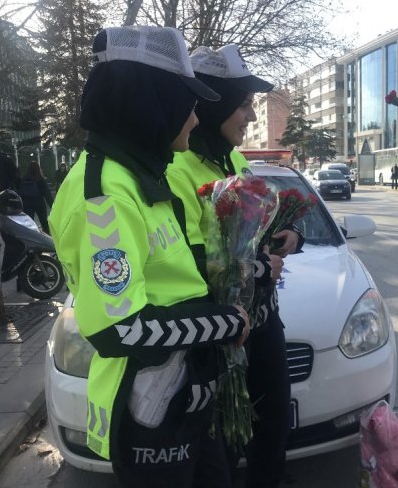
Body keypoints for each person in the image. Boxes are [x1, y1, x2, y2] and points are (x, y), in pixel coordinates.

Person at [48, 26, 250, 488]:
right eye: (187, 106)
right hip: (147, 410)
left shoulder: (143, 176)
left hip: (185, 394)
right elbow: (121, 328)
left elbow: (178, 283)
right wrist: (228, 322)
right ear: (152, 103)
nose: (196, 121)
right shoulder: (105, 196)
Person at [166, 44, 303, 488]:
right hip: (217, 333)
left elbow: (254, 232)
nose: (250, 115)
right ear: (216, 102)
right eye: (243, 103)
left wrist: (288, 237)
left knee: (275, 425)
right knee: (224, 440)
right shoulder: (177, 168)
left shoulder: (236, 160)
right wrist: (262, 269)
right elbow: (198, 263)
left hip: (261, 319)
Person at [16, 161, 54, 233]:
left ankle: (29, 237)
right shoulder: (40, 179)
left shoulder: (24, 179)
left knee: (29, 222)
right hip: (39, 203)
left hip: (27, 203)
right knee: (43, 221)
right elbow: (47, 193)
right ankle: (46, 236)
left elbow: (20, 191)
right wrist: (52, 205)